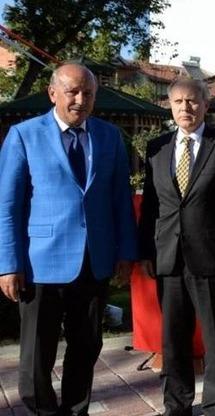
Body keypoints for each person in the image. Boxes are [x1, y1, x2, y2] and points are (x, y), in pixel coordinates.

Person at [0, 63, 137, 415]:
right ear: (53, 93)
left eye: (88, 93)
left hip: (95, 260)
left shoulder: (109, 136)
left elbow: (120, 199)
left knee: (87, 346)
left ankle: (76, 411)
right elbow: (8, 205)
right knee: (35, 355)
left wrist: (125, 252)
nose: (80, 100)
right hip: (39, 263)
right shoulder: (23, 136)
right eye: (73, 92)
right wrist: (8, 263)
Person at [138, 79, 215, 416]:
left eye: (192, 101)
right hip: (168, 257)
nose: (185, 108)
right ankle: (177, 404)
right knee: (173, 339)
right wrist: (146, 250)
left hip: (212, 257)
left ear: (205, 104)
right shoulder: (157, 148)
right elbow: (152, 205)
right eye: (178, 102)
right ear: (170, 106)